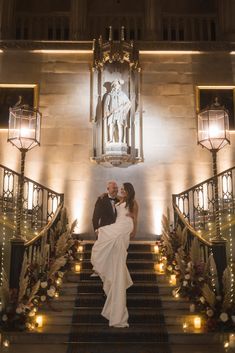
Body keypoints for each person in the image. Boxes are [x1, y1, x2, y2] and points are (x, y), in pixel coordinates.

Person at [91, 182, 138, 328]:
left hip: (123, 229)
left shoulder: (132, 202)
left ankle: (114, 285)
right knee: (109, 255)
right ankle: (110, 278)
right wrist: (104, 195)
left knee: (107, 239)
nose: (120, 191)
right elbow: (110, 197)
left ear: (128, 191)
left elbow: (135, 218)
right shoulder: (117, 199)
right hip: (116, 228)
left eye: (122, 189)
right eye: (118, 189)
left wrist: (134, 229)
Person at [103, 79, 131, 144]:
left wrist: (121, 109)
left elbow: (128, 103)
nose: (116, 86)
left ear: (119, 86)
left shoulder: (122, 94)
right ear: (112, 86)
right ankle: (111, 139)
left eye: (117, 85)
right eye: (114, 85)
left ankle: (121, 141)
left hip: (119, 112)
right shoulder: (109, 95)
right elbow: (106, 105)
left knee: (120, 125)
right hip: (112, 112)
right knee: (111, 125)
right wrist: (107, 112)